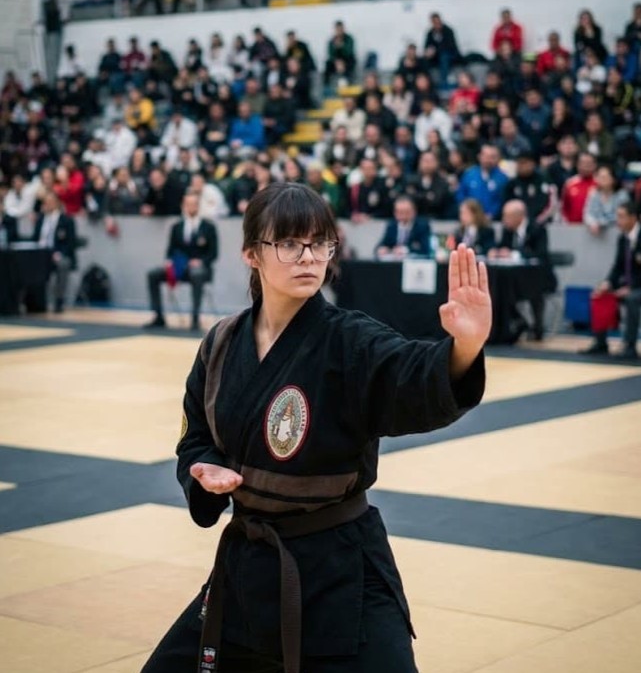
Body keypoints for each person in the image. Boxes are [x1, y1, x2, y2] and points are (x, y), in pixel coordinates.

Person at [140, 182, 490, 673]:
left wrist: (464, 349)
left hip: (341, 573)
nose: (307, 256)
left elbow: (410, 374)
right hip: (249, 566)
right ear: (251, 254)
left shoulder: (350, 341)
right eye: (288, 243)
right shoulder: (220, 344)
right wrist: (206, 469)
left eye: (319, 242)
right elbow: (195, 434)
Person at [145, 191, 218, 331]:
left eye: (194, 204)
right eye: (188, 204)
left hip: (200, 269)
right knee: (153, 274)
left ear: (198, 206)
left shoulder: (209, 227)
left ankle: (195, 318)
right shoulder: (176, 227)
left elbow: (213, 254)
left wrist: (200, 261)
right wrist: (169, 261)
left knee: (197, 274)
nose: (191, 207)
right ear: (183, 206)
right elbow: (170, 250)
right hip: (179, 267)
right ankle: (158, 316)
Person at [488, 199, 555, 340]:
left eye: (507, 216)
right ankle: (517, 322)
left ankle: (538, 327)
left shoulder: (537, 228)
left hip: (538, 276)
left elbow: (540, 253)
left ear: (519, 216)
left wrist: (513, 253)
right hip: (514, 277)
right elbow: (502, 247)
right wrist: (497, 251)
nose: (504, 219)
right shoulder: (507, 230)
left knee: (534, 288)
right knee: (499, 286)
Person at [583, 201, 641, 360]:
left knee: (632, 298)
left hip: (637, 287)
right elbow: (617, 266)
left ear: (633, 218)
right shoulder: (623, 238)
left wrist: (632, 287)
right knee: (599, 293)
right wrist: (607, 283)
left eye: (621, 217)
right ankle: (600, 342)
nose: (618, 221)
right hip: (629, 284)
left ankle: (630, 346)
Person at [32, 191, 77, 313]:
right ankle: (34, 301)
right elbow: (35, 238)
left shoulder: (66, 220)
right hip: (40, 252)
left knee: (63, 264)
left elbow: (70, 243)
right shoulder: (40, 219)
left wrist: (58, 253)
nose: (48, 205)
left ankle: (59, 300)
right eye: (46, 202)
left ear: (57, 203)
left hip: (57, 253)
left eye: (51, 202)